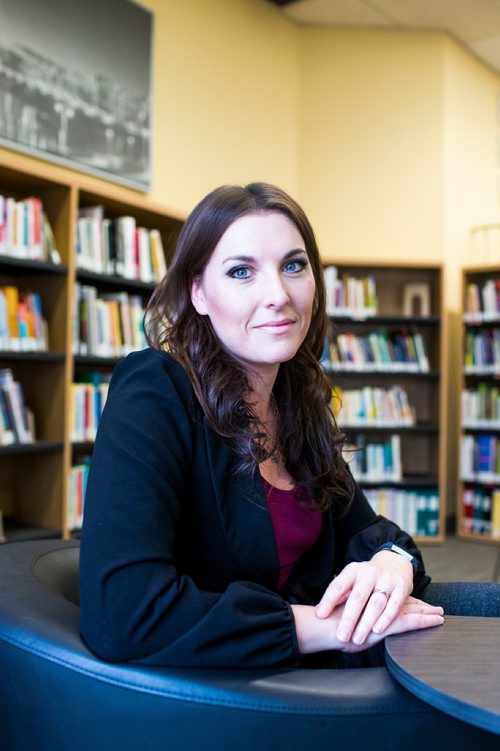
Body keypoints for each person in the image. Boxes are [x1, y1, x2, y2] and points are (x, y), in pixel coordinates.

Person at [79, 182, 486, 669]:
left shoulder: (294, 403)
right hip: (246, 683)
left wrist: (392, 561)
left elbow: (372, 531)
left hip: (325, 650)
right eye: (241, 271)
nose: (278, 295)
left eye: (294, 265)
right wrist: (319, 626)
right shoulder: (156, 390)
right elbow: (124, 613)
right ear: (198, 293)